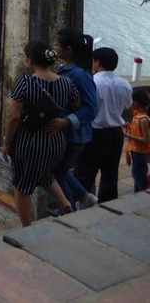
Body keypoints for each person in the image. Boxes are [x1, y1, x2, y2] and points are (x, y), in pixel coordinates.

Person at [1, 39, 78, 227]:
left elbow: (14, 117)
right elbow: (76, 103)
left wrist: (7, 143)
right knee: (43, 173)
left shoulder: (25, 83)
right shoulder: (66, 83)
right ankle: (66, 205)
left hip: (30, 142)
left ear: (30, 60)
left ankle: (26, 228)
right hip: (55, 142)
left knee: (22, 186)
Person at [48, 28, 99, 210]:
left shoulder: (79, 74)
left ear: (68, 49)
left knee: (57, 175)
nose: (54, 47)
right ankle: (85, 197)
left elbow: (92, 109)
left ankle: (70, 210)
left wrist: (67, 121)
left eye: (56, 44)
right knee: (57, 171)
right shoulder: (66, 70)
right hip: (67, 134)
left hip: (73, 135)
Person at [75, 47, 132, 203]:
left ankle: (79, 209)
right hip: (115, 133)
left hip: (95, 133)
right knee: (110, 174)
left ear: (97, 62)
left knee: (84, 173)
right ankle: (108, 207)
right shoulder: (124, 84)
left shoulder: (93, 82)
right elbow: (127, 105)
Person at [123, 88, 150, 192]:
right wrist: (130, 128)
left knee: (139, 177)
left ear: (136, 103)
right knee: (137, 175)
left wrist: (128, 136)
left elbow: (146, 139)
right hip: (136, 151)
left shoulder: (143, 119)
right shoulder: (137, 115)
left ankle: (143, 195)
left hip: (140, 152)